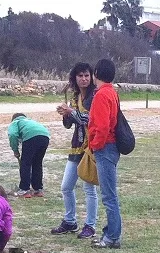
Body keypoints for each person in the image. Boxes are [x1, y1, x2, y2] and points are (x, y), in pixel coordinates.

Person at [51, 62, 100, 240]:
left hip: (90, 147)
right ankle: (70, 221)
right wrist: (65, 114)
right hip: (76, 146)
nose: (84, 79)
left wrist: (70, 111)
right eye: (80, 76)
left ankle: (90, 225)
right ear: (75, 78)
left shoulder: (95, 96)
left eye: (87, 75)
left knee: (89, 189)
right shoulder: (75, 96)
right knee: (66, 187)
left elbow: (89, 119)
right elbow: (69, 124)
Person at [86, 57, 123, 249]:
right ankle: (111, 232)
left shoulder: (101, 95)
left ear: (97, 74)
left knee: (109, 195)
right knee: (109, 194)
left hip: (105, 147)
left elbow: (102, 126)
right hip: (111, 146)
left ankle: (112, 237)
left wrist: (95, 144)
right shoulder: (112, 92)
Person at [7, 113, 51, 198]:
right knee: (37, 163)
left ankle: (24, 190)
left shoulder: (15, 122)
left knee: (25, 164)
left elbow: (12, 135)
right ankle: (38, 189)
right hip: (45, 137)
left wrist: (15, 150)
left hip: (31, 137)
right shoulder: (30, 121)